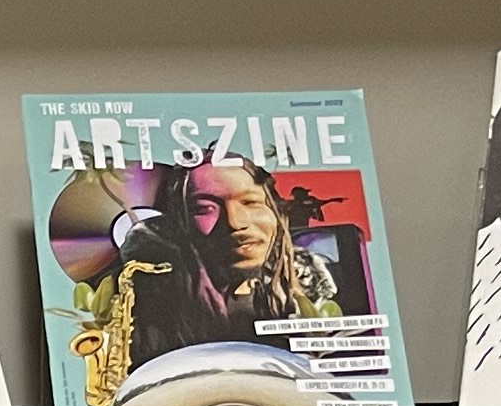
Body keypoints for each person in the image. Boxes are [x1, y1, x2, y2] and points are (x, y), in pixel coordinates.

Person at [123, 153, 340, 368]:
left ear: (276, 212)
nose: (235, 222)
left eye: (251, 202)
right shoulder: (151, 310)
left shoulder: (313, 289)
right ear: (179, 223)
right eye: (204, 208)